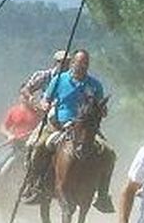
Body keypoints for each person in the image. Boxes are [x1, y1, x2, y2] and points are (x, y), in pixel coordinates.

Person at [23, 49, 116, 212]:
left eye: (85, 63)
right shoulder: (59, 80)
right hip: (58, 125)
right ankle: (35, 185)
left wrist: (102, 111)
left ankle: (103, 195)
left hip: (85, 129)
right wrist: (44, 104)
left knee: (109, 153)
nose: (82, 66)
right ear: (72, 63)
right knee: (37, 146)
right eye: (79, 63)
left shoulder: (95, 85)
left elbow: (103, 108)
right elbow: (46, 99)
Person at [0, 93, 41, 179]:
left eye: (29, 96)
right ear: (20, 97)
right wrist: (9, 135)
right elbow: (3, 127)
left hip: (31, 147)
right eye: (24, 96)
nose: (26, 98)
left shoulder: (38, 113)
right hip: (16, 146)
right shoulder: (13, 111)